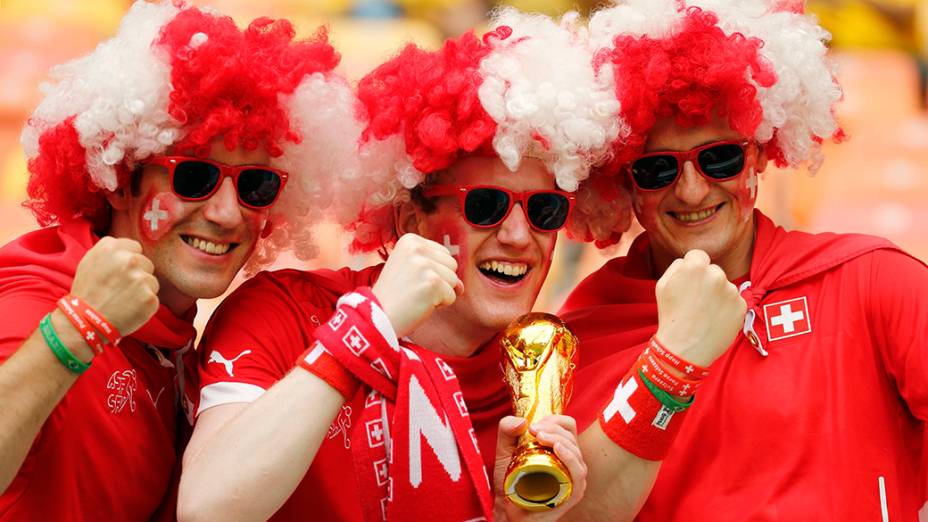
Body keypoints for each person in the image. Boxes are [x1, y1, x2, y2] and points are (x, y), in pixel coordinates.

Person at [177, 9, 624, 521]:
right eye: (486, 206)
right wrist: (368, 331)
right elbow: (207, 510)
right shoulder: (287, 313)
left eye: (545, 211)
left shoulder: (542, 375)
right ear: (412, 220)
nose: (519, 236)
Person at [557, 0, 928, 520]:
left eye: (720, 158)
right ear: (623, 183)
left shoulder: (871, 281)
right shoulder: (583, 334)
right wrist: (672, 360)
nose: (690, 191)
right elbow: (573, 514)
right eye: (657, 169)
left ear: (757, 157)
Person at [0, 1, 358, 518]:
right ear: (121, 179)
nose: (226, 213)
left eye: (256, 185)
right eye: (194, 176)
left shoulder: (168, 334)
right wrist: (77, 327)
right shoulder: (40, 299)